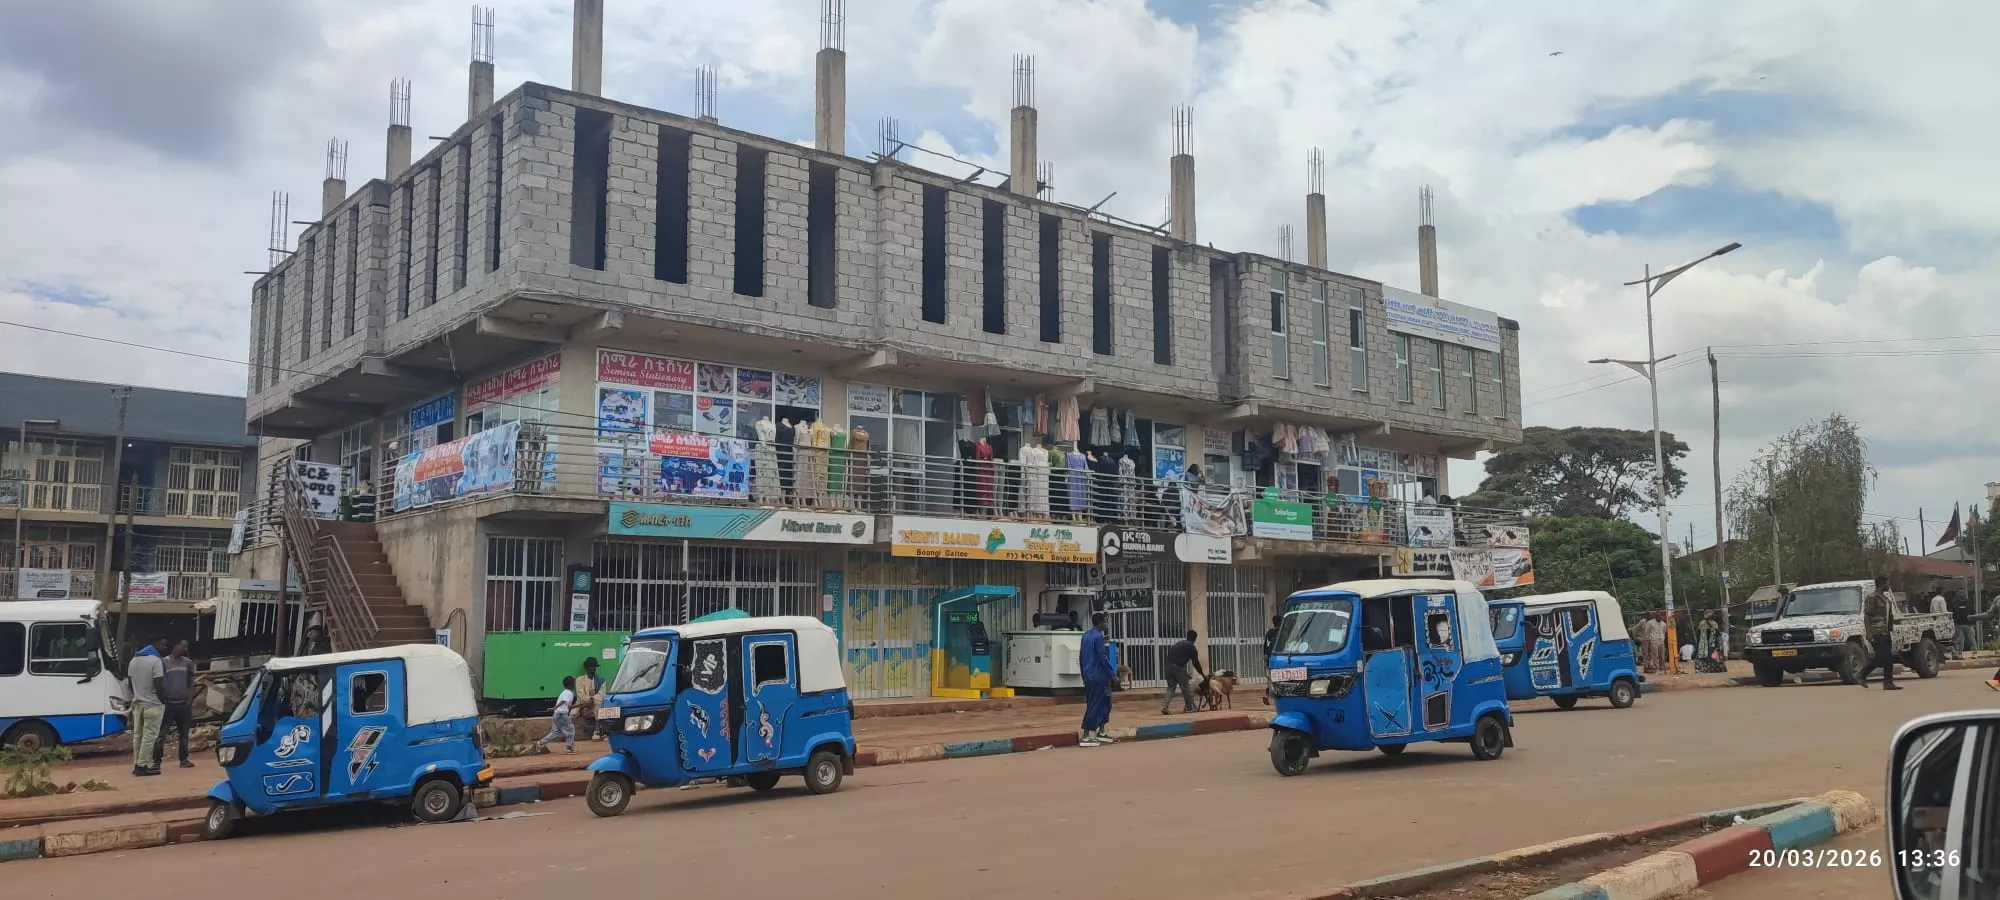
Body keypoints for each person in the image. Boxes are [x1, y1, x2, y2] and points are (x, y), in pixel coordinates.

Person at [152, 640, 197, 769]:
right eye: (182, 646)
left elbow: (191, 682)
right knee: (161, 734)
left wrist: (190, 698)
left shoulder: (187, 663)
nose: (184, 648)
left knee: (184, 734)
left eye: (186, 647)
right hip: (168, 704)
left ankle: (184, 760)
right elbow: (158, 682)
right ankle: (156, 761)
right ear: (175, 646)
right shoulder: (163, 662)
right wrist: (161, 699)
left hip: (183, 704)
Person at [126, 638, 168, 776]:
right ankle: (141, 765)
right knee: (149, 736)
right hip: (153, 704)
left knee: (137, 735)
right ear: (155, 644)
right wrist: (162, 701)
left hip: (138, 704)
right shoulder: (155, 661)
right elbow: (159, 684)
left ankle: (137, 763)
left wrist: (137, 695)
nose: (164, 647)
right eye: (163, 644)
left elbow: (130, 683)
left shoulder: (134, 660)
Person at [1857, 576, 1902, 691]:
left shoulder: (1885, 599)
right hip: (1877, 632)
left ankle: (1888, 683)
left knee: (1888, 659)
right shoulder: (1872, 598)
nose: (1889, 586)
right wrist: (1869, 633)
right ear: (1882, 584)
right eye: (1888, 584)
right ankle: (1862, 674)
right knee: (1882, 657)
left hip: (1886, 632)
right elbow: (1867, 616)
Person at [1078, 613, 1116, 747]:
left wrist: (1084, 674)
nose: (1106, 625)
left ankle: (1101, 731)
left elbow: (1081, 657)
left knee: (1104, 703)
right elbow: (1102, 658)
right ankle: (1086, 735)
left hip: (1088, 676)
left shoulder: (1085, 636)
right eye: (1105, 622)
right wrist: (1112, 673)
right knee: (1095, 705)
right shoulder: (1098, 637)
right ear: (1100, 623)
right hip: (1098, 675)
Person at [1161, 630, 1206, 715]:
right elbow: (1195, 662)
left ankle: (1164, 706)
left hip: (1168, 666)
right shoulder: (1191, 646)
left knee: (1171, 687)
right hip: (1178, 667)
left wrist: (1184, 672)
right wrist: (1202, 673)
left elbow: (1175, 657)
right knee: (1185, 688)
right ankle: (1190, 708)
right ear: (1195, 638)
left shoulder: (1179, 644)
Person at [539, 676, 577, 754]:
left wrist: (581, 705)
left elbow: (568, 706)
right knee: (570, 730)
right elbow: (563, 701)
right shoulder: (569, 693)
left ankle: (540, 743)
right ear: (572, 684)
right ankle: (569, 748)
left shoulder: (564, 692)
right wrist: (554, 708)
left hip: (557, 714)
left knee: (555, 732)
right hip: (562, 715)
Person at [573, 657, 603, 741]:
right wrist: (588, 701)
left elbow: (601, 695)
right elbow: (580, 696)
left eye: (594, 667)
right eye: (590, 666)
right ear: (586, 668)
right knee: (571, 716)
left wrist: (592, 700)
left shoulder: (601, 680)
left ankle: (597, 731)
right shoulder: (579, 680)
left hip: (594, 706)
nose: (593, 668)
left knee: (598, 703)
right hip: (582, 706)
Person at [1948, 590, 1975, 660]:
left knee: (1971, 639)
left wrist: (1973, 622)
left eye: (1962, 592)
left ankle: (1974, 653)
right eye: (1959, 592)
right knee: (1959, 640)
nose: (1961, 593)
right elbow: (1953, 613)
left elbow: (1973, 612)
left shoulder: (1969, 602)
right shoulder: (1955, 603)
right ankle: (1959, 654)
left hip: (1969, 624)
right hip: (1959, 624)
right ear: (1957, 593)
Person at [1263, 614, 1281, 706]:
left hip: (1269, 658)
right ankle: (1273, 695)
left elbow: (1265, 646)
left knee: (1270, 678)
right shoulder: (1282, 633)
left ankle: (1268, 694)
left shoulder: (1269, 632)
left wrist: (1265, 656)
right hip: (1280, 658)